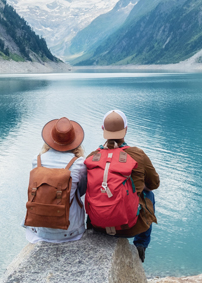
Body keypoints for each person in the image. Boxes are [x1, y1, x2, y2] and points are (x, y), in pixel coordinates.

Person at [86, 109, 160, 262]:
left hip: (98, 225)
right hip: (129, 227)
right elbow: (154, 184)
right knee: (149, 195)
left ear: (102, 129)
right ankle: (140, 245)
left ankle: (92, 231)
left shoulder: (92, 157)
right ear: (126, 129)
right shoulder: (138, 154)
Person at [22, 117, 87, 243]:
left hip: (39, 230)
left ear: (50, 140)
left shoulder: (37, 160)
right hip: (70, 231)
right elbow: (82, 190)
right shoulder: (79, 164)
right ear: (74, 141)